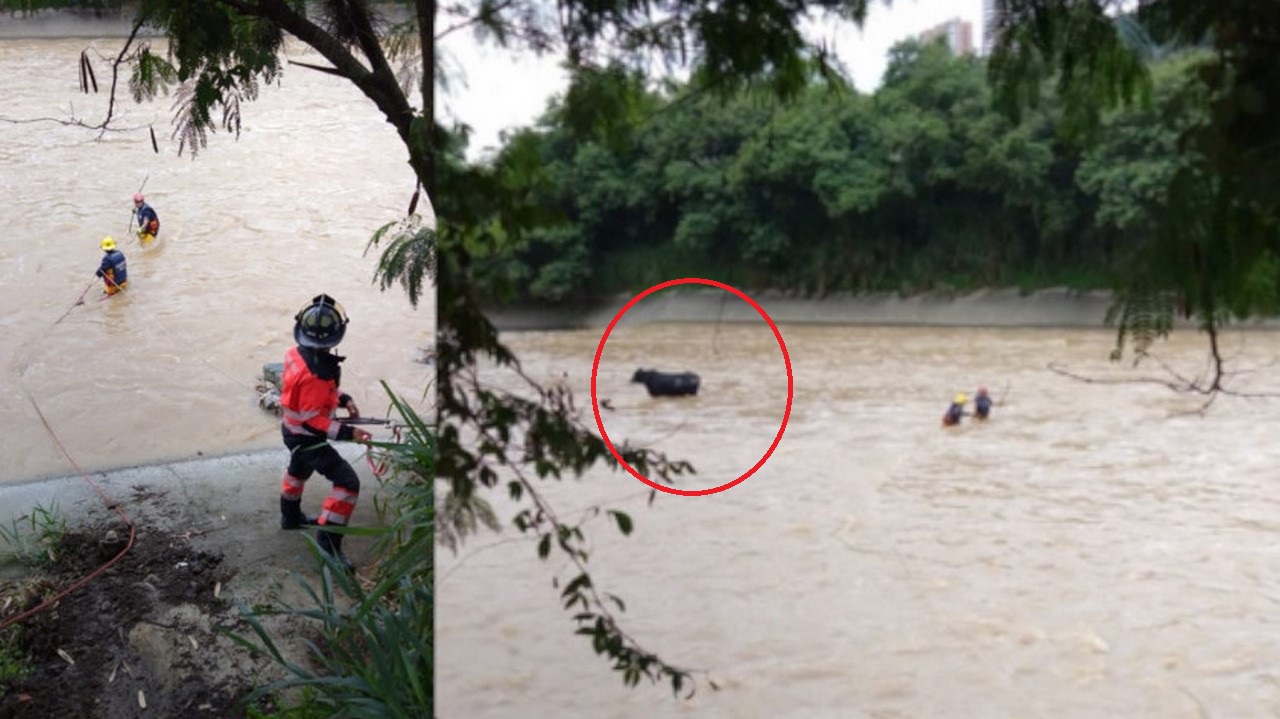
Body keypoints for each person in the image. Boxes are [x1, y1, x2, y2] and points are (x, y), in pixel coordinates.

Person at [277, 294, 371, 572]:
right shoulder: (315, 375)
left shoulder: (295, 355)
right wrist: (347, 432)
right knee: (347, 483)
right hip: (306, 437)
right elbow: (312, 421)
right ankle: (328, 545)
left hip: (290, 431)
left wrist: (343, 399)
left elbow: (316, 395)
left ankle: (290, 517)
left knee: (298, 471)